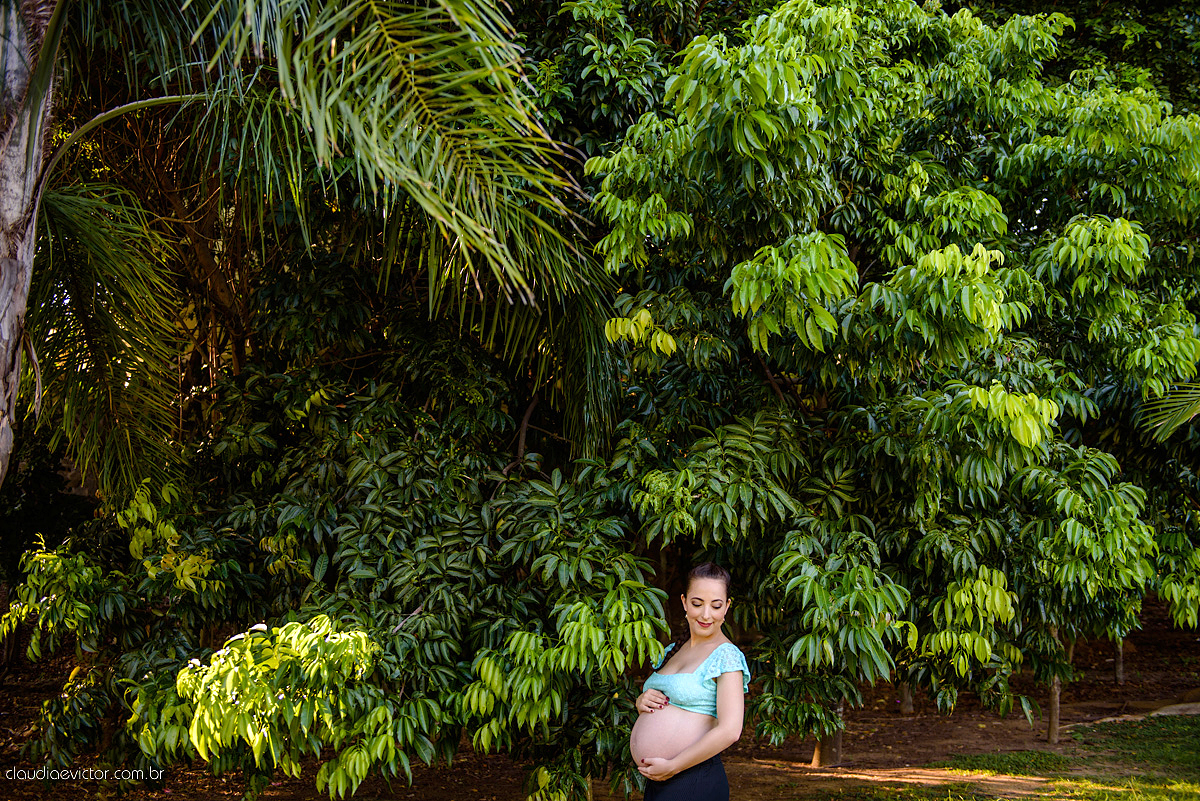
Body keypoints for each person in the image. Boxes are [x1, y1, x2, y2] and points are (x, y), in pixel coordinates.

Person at [628, 562, 750, 801]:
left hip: (692, 779)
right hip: (663, 780)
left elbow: (730, 731)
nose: (706, 615)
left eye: (715, 606)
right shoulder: (673, 650)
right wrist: (642, 701)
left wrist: (674, 765)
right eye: (697, 604)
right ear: (684, 602)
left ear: (726, 607)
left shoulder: (727, 656)